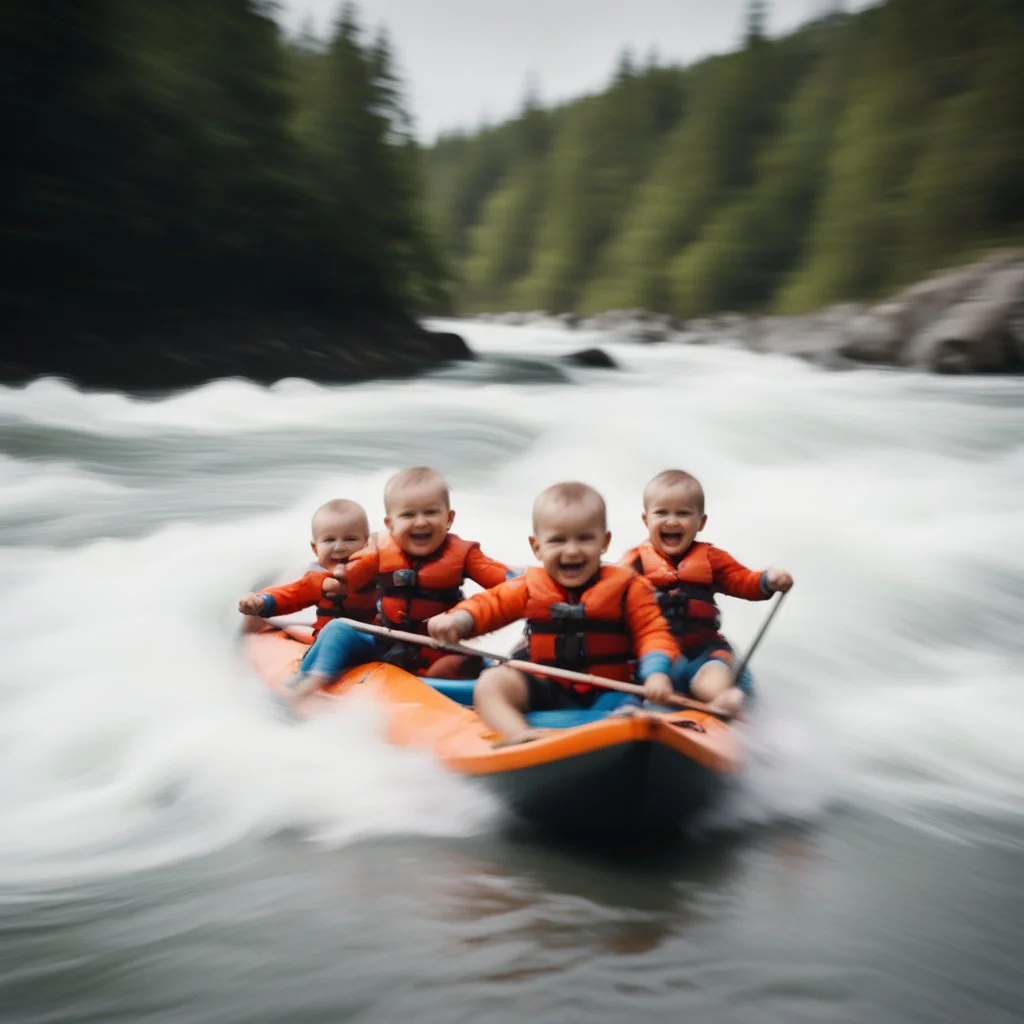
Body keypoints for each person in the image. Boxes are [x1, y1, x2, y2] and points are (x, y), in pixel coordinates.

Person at [428, 482, 679, 746]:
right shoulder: (530, 585)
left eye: (584, 538)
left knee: (628, 711)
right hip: (543, 683)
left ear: (604, 542)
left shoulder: (629, 587)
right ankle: (520, 735)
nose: (571, 550)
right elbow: (491, 604)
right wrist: (457, 621)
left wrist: (656, 673)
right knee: (491, 685)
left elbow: (653, 633)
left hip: (608, 691)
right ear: (536, 547)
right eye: (558, 540)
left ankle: (620, 734)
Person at [292, 466, 511, 698]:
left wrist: (528, 583)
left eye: (430, 512)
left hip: (437, 646)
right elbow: (345, 577)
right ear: (390, 524)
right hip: (386, 641)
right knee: (340, 628)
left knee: (456, 666)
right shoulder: (378, 554)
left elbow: (508, 585)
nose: (420, 522)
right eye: (408, 515)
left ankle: (467, 699)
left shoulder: (465, 555)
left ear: (449, 519)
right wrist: (332, 582)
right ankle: (317, 679)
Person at [620, 469, 793, 716]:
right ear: (646, 520)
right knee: (645, 675)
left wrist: (769, 579)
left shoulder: (712, 560)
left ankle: (723, 702)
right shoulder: (633, 562)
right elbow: (608, 593)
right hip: (652, 656)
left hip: (703, 652)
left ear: (701, 522)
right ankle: (637, 709)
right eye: (662, 513)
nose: (672, 521)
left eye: (683, 513)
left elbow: (743, 581)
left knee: (711, 678)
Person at [237, 498, 376, 638]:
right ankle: (252, 632)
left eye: (350, 539)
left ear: (366, 544)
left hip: (377, 639)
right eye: (329, 540)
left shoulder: (378, 572)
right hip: (331, 641)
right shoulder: (317, 581)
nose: (339, 548)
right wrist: (261, 602)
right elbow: (291, 594)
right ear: (315, 548)